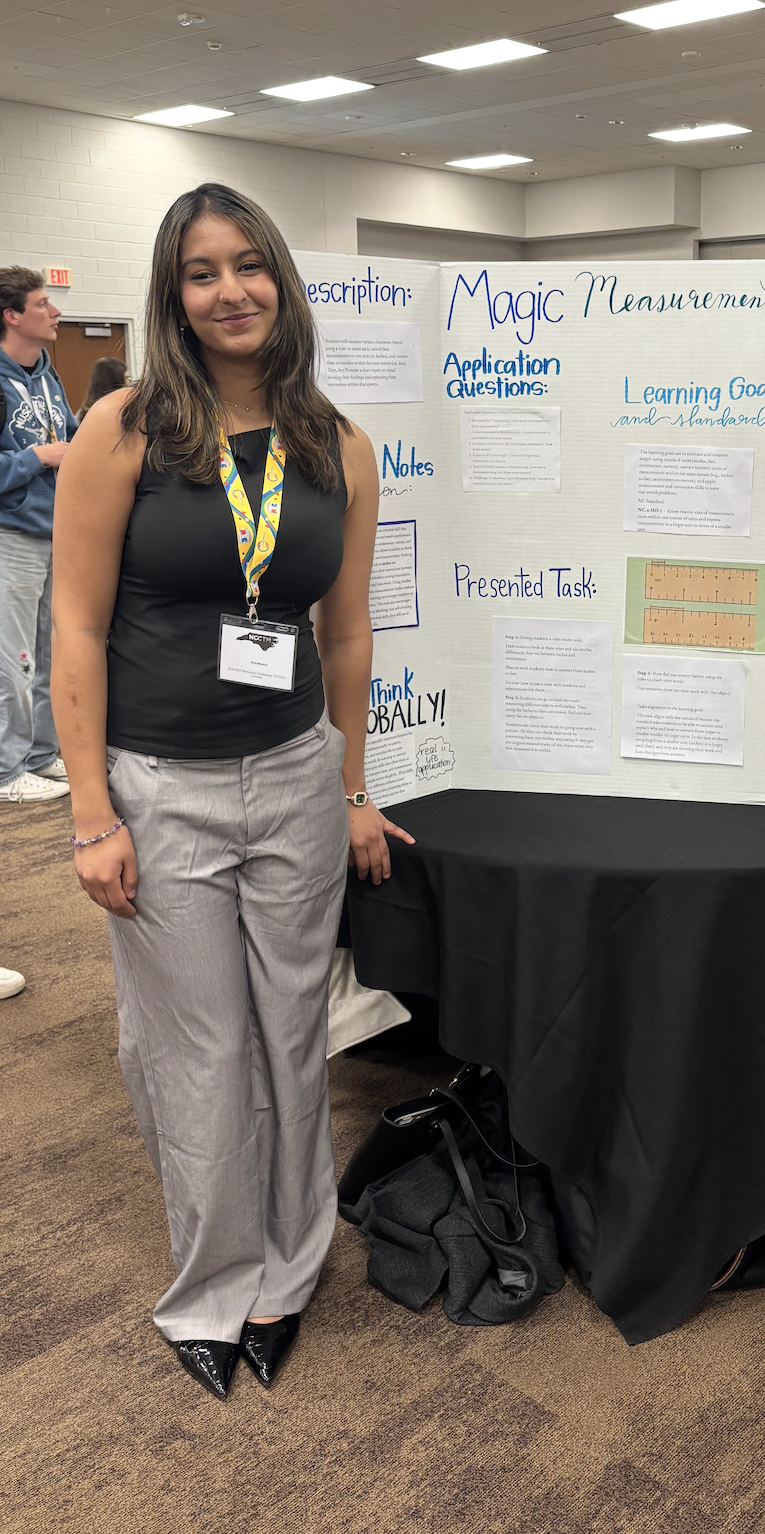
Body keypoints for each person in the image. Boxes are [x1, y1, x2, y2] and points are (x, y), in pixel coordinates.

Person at [51, 182, 413, 1402]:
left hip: (300, 777)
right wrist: (92, 812)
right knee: (195, 1050)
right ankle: (212, 1283)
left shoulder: (338, 444)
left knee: (292, 1038)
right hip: (163, 788)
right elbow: (75, 626)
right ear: (173, 296)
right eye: (201, 273)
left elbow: (348, 631)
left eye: (249, 265)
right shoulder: (125, 429)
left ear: (282, 280)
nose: (230, 291)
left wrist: (356, 783)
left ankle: (289, 1271)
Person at [0, 266, 75, 805]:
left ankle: (41, 754)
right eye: (44, 303)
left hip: (57, 536)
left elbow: (72, 438)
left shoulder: (48, 377)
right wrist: (36, 458)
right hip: (12, 538)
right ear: (11, 316)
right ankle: (6, 771)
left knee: (51, 655)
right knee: (13, 659)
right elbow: (43, 453)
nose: (55, 312)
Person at [77, 355, 127, 423]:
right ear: (117, 383)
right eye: (128, 378)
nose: (129, 384)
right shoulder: (117, 416)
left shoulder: (84, 413)